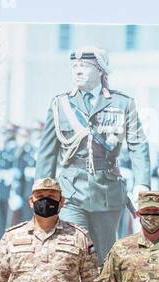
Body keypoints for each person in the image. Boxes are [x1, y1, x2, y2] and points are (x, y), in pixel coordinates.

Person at [36, 47, 150, 266]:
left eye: (85, 66)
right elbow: (47, 152)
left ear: (100, 70)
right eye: (75, 66)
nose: (78, 71)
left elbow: (138, 144)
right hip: (71, 192)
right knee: (72, 251)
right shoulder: (60, 104)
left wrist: (142, 183)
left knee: (105, 257)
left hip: (107, 190)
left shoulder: (122, 103)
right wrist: (43, 189)